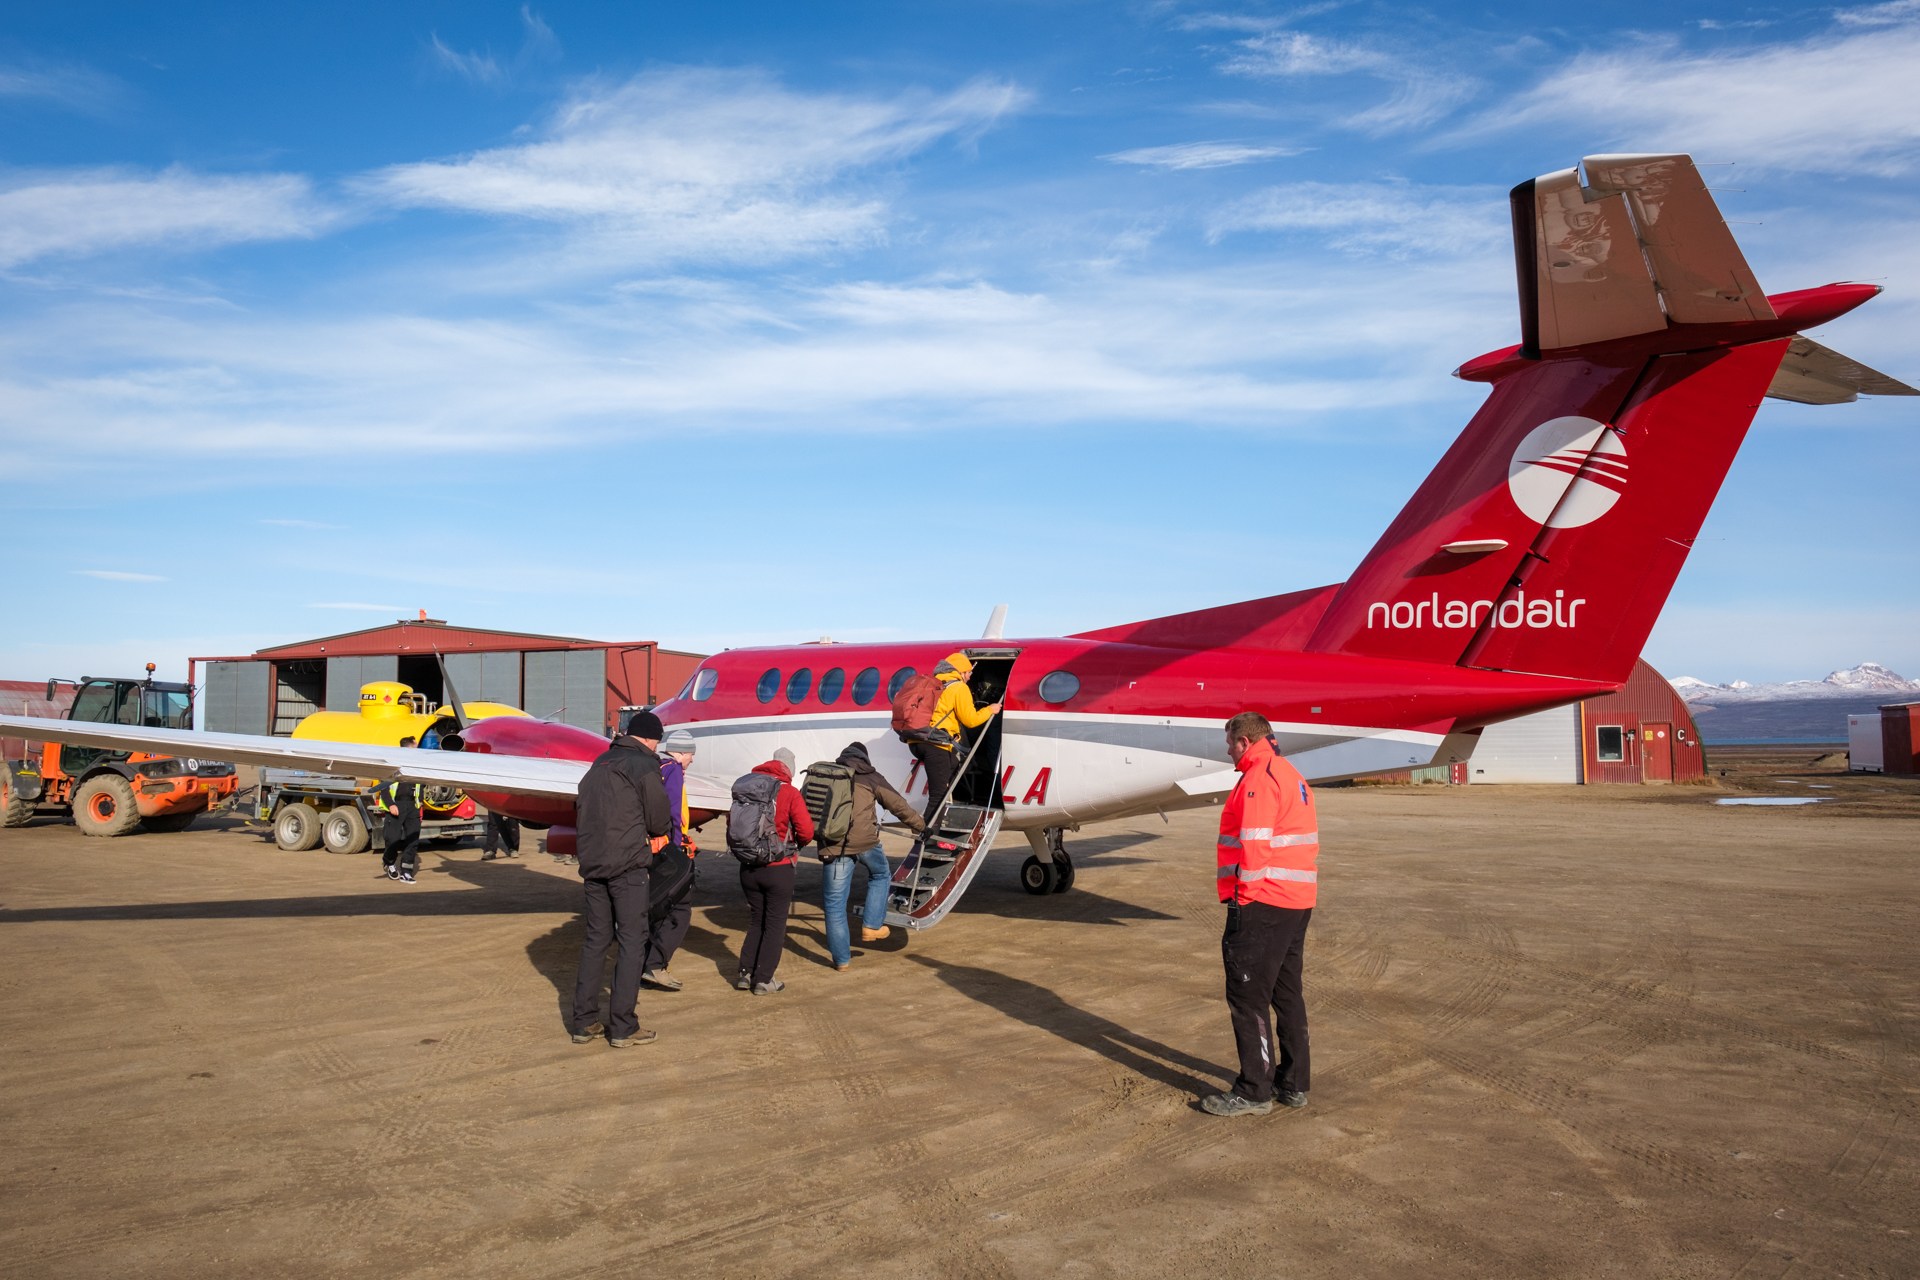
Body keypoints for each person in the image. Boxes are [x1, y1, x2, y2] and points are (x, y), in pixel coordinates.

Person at [1204, 711, 1318, 1118]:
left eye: (1231, 743)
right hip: (1296, 901)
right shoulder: (1291, 774)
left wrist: (1245, 899)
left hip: (1263, 903)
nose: (1228, 751)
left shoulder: (1258, 779)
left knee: (1248, 996)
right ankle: (1293, 1083)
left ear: (1246, 741)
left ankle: (1254, 1090)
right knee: (1286, 994)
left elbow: (1255, 846)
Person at [568, 710, 671, 1048]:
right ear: (647, 737)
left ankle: (583, 1023)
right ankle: (623, 1026)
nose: (658, 745)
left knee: (596, 940)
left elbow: (579, 806)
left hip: (593, 864)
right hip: (627, 866)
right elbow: (658, 820)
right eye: (657, 739)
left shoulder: (598, 764)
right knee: (631, 941)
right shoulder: (644, 765)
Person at [815, 741, 925, 970]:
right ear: (864, 759)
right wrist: (921, 826)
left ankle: (842, 961)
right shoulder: (870, 775)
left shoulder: (829, 776)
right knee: (880, 874)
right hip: (865, 842)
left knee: (834, 906)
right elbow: (899, 806)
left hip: (834, 846)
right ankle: (871, 925)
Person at [729, 756, 813, 994]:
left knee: (757, 919)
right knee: (775, 925)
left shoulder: (746, 789)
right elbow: (806, 830)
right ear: (788, 771)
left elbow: (732, 824)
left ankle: (745, 973)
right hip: (779, 868)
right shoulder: (789, 792)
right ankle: (764, 979)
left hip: (748, 867)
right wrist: (796, 845)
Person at [909, 653, 1002, 824]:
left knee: (947, 779)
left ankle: (943, 819)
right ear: (961, 672)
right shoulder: (959, 688)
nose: (968, 678)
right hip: (937, 743)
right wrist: (990, 710)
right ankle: (927, 834)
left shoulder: (932, 684)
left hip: (917, 741)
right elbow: (970, 720)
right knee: (938, 795)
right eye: (968, 673)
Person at [642, 728, 700, 991]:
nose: (691, 760)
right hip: (668, 850)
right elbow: (675, 811)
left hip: (648, 848)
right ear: (679, 752)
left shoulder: (654, 767)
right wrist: (678, 850)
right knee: (681, 909)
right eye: (690, 754)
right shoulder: (674, 769)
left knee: (656, 907)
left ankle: (645, 965)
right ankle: (655, 965)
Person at [377, 738, 423, 883]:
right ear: (408, 748)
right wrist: (390, 804)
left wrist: (420, 800)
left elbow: (422, 783)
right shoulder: (392, 765)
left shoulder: (417, 765)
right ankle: (389, 862)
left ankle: (406, 872)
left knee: (412, 841)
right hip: (396, 805)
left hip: (412, 806)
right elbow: (383, 787)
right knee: (393, 839)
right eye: (415, 748)